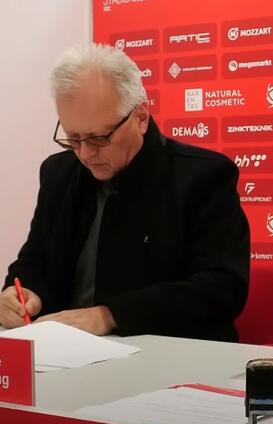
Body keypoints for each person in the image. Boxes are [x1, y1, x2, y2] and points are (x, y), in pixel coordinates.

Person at [0, 44, 250, 341]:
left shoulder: (202, 176)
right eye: (73, 138)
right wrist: (18, 294)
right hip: (63, 352)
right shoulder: (59, 173)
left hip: (169, 351)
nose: (85, 154)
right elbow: (34, 261)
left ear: (141, 117)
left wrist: (110, 316)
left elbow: (221, 289)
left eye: (99, 138)